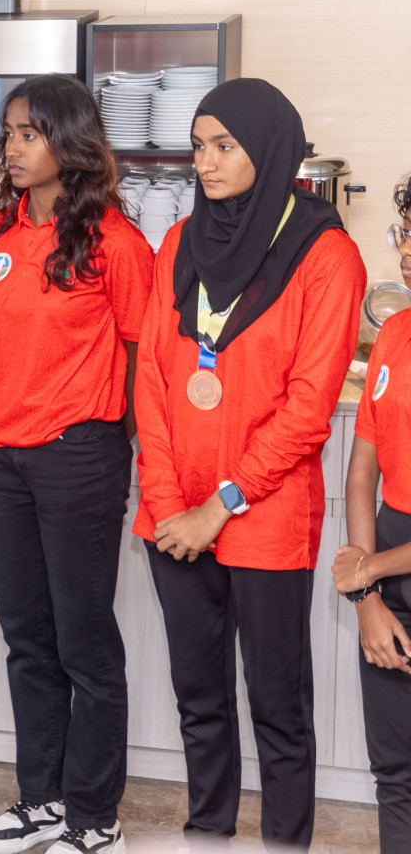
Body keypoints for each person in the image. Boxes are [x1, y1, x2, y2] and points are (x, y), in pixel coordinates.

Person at [134, 78, 364, 850]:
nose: (205, 161)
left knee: (277, 702)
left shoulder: (325, 256)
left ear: (268, 149)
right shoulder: (178, 243)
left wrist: (215, 506)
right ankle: (208, 830)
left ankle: (286, 841)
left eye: (224, 146)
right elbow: (154, 384)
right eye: (198, 146)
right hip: (174, 516)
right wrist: (170, 503)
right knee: (197, 694)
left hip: (260, 518)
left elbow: (307, 411)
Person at [0, 74, 153, 854]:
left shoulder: (116, 241)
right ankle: (40, 798)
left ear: (68, 143)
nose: (12, 148)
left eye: (29, 133)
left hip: (80, 455)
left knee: (84, 641)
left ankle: (93, 815)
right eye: (8, 133)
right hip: (3, 453)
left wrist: (126, 452)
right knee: (27, 639)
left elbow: (148, 360)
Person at [334, 177, 411, 854]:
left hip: (388, 561)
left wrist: (366, 570)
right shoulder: (394, 337)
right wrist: (367, 597)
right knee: (395, 771)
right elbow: (362, 473)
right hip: (387, 569)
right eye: (405, 232)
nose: (408, 251)